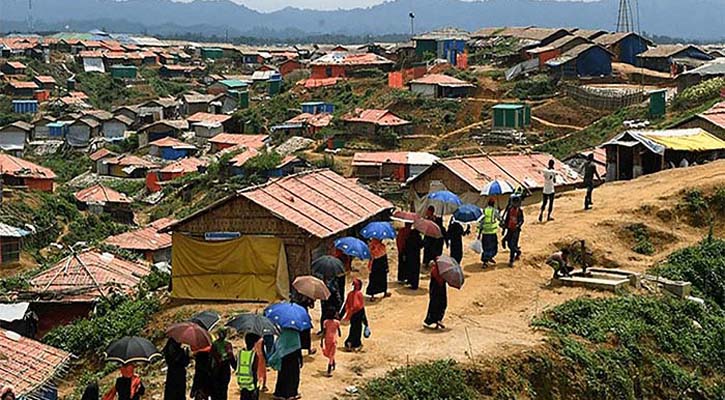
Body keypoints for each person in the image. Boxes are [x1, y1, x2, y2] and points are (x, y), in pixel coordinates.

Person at [269, 329, 303, 400]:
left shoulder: (282, 333)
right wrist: (301, 359)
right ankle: (292, 394)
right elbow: (298, 347)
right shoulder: (295, 333)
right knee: (293, 377)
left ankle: (279, 394)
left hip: (284, 358)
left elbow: (277, 345)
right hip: (294, 358)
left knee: (282, 376)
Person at [342, 278, 368, 351]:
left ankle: (349, 343)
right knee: (358, 330)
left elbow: (345, 305)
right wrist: (365, 322)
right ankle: (356, 344)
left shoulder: (350, 294)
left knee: (353, 329)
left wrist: (341, 315)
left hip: (352, 316)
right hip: (358, 315)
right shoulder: (359, 294)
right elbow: (361, 308)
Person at [211, 328, 236, 400]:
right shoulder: (228, 345)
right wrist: (235, 367)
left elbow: (211, 358)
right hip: (225, 370)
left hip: (216, 370)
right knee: (224, 390)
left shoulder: (214, 344)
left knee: (216, 391)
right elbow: (231, 358)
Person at [423, 259, 447, 330]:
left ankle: (434, 320)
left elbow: (432, 284)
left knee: (434, 306)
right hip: (442, 291)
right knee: (442, 305)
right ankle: (439, 319)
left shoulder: (434, 271)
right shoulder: (443, 272)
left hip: (435, 291)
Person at [291, 292, 317, 356]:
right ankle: (308, 349)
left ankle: (297, 349)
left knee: (297, 330)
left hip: (295, 312)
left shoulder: (294, 289)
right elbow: (311, 306)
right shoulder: (307, 292)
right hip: (303, 313)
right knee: (306, 331)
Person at [502, 196, 524, 268]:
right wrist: (504, 229)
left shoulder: (519, 211)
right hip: (509, 229)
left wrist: (518, 225)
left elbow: (522, 220)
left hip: (516, 231)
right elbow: (507, 219)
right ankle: (517, 251)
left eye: (516, 203)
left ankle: (511, 260)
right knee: (508, 243)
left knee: (512, 245)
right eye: (514, 203)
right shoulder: (510, 210)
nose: (515, 204)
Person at [235, 334, 259, 400]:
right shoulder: (254, 355)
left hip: (241, 383)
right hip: (251, 384)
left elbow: (236, 365)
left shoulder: (240, 353)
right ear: (254, 343)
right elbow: (254, 371)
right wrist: (255, 386)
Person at [478, 198, 500, 267]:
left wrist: (479, 233)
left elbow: (481, 222)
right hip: (492, 232)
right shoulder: (494, 211)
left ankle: (486, 260)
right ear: (494, 204)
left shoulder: (484, 211)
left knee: (485, 247)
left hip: (485, 232)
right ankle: (488, 257)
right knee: (493, 247)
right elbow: (499, 218)